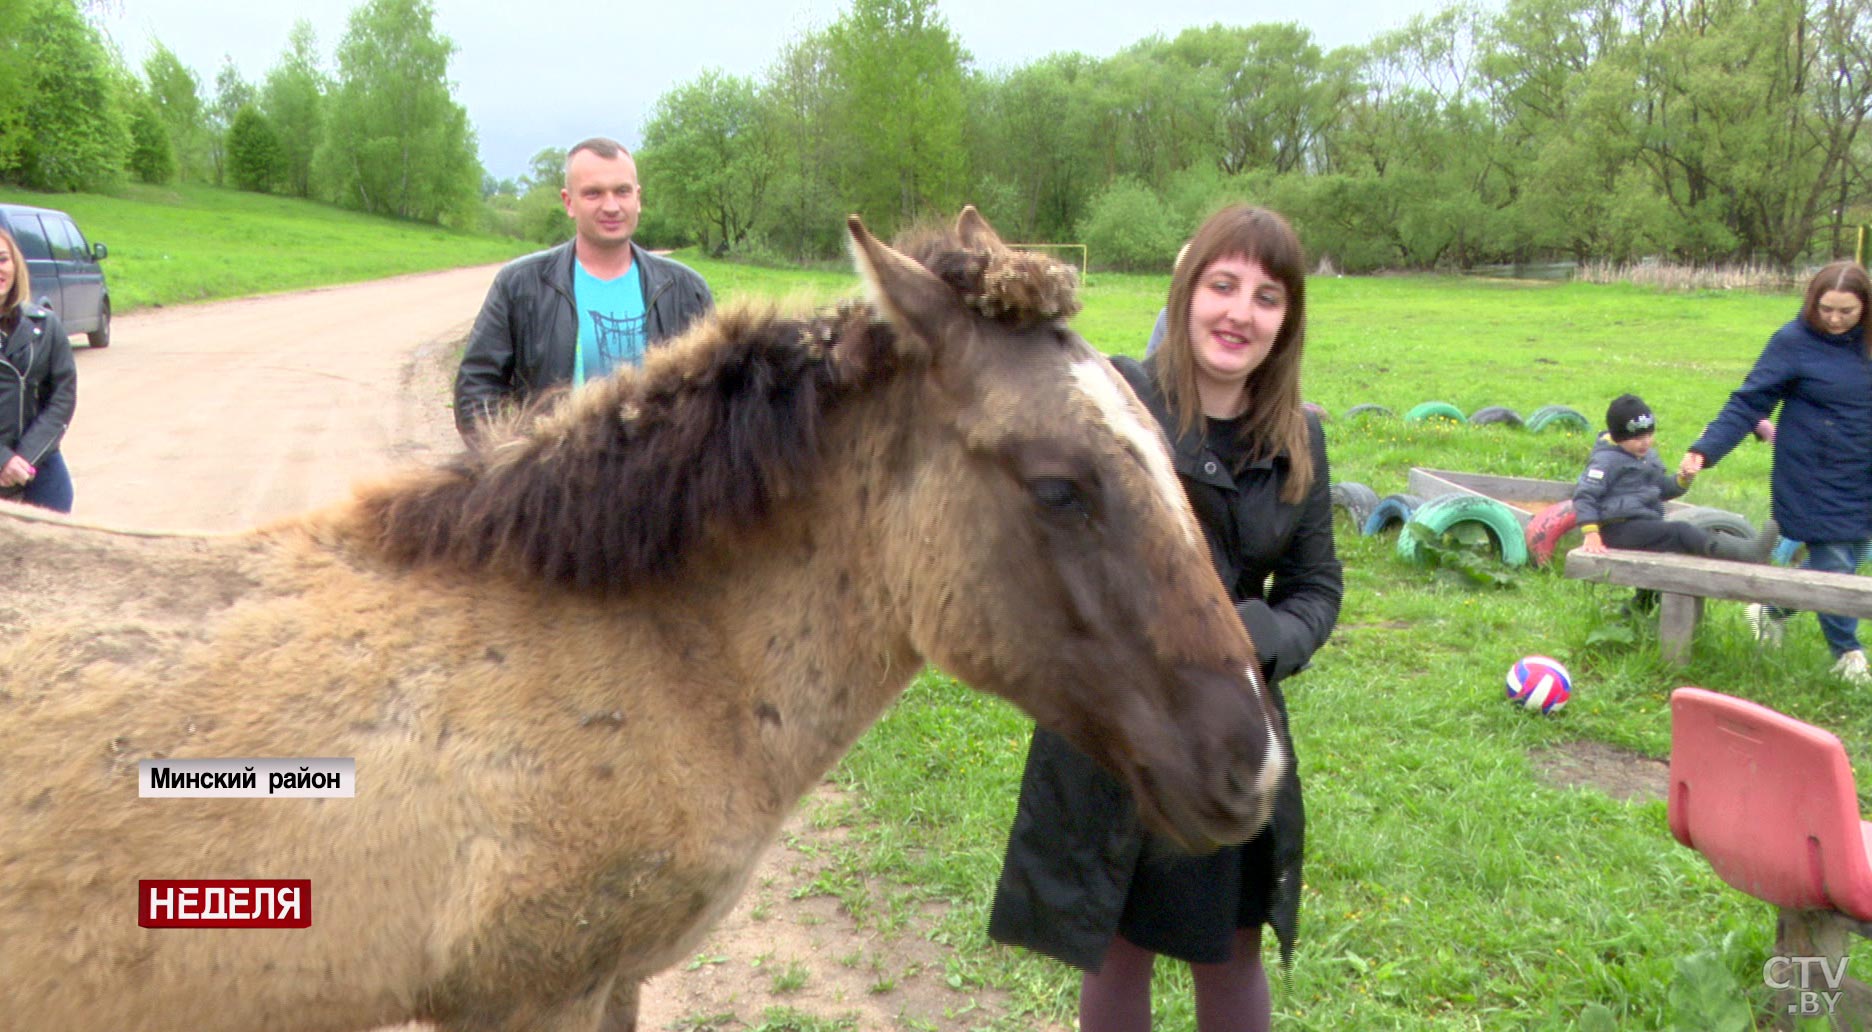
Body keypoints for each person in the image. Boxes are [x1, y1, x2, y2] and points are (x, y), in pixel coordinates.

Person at [989, 206, 1342, 1032]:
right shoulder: (1118, 399)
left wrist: (1265, 636)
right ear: (1186, 294)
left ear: (1286, 320)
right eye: (1222, 286)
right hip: (1113, 722)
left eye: (1266, 297)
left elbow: (1316, 585)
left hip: (1225, 725)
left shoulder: (1301, 441)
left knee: (1231, 947)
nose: (1239, 313)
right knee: (1117, 945)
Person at [1678, 260, 1872, 683]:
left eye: (1847, 312)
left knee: (1848, 557)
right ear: (1811, 304)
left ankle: (1772, 608)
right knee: (1836, 559)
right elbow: (1748, 403)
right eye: (1826, 310)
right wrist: (1704, 451)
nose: (1835, 320)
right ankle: (1849, 655)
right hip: (1814, 474)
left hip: (1863, 471)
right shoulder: (1793, 342)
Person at [454, 137, 713, 442]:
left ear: (638, 198)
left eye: (622, 191)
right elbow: (476, 387)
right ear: (569, 202)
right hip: (553, 480)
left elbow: (718, 397)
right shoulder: (520, 285)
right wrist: (510, 467)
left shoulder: (686, 291)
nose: (611, 206)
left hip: (660, 482)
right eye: (593, 193)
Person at [1576, 393, 1775, 562]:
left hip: (1645, 523)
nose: (1645, 443)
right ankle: (1748, 553)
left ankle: (1643, 604)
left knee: (1671, 544)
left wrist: (1682, 480)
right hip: (1616, 528)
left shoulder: (1647, 457)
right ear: (1618, 437)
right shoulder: (1605, 461)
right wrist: (1591, 533)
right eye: (1637, 438)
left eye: (1649, 435)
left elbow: (1660, 489)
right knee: (1680, 532)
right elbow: (1585, 496)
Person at [0, 228, 77, 513]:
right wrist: (2, 460)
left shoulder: (46, 326)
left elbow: (62, 396)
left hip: (36, 460)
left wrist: (25, 457)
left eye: (2, 259)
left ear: (15, 265)